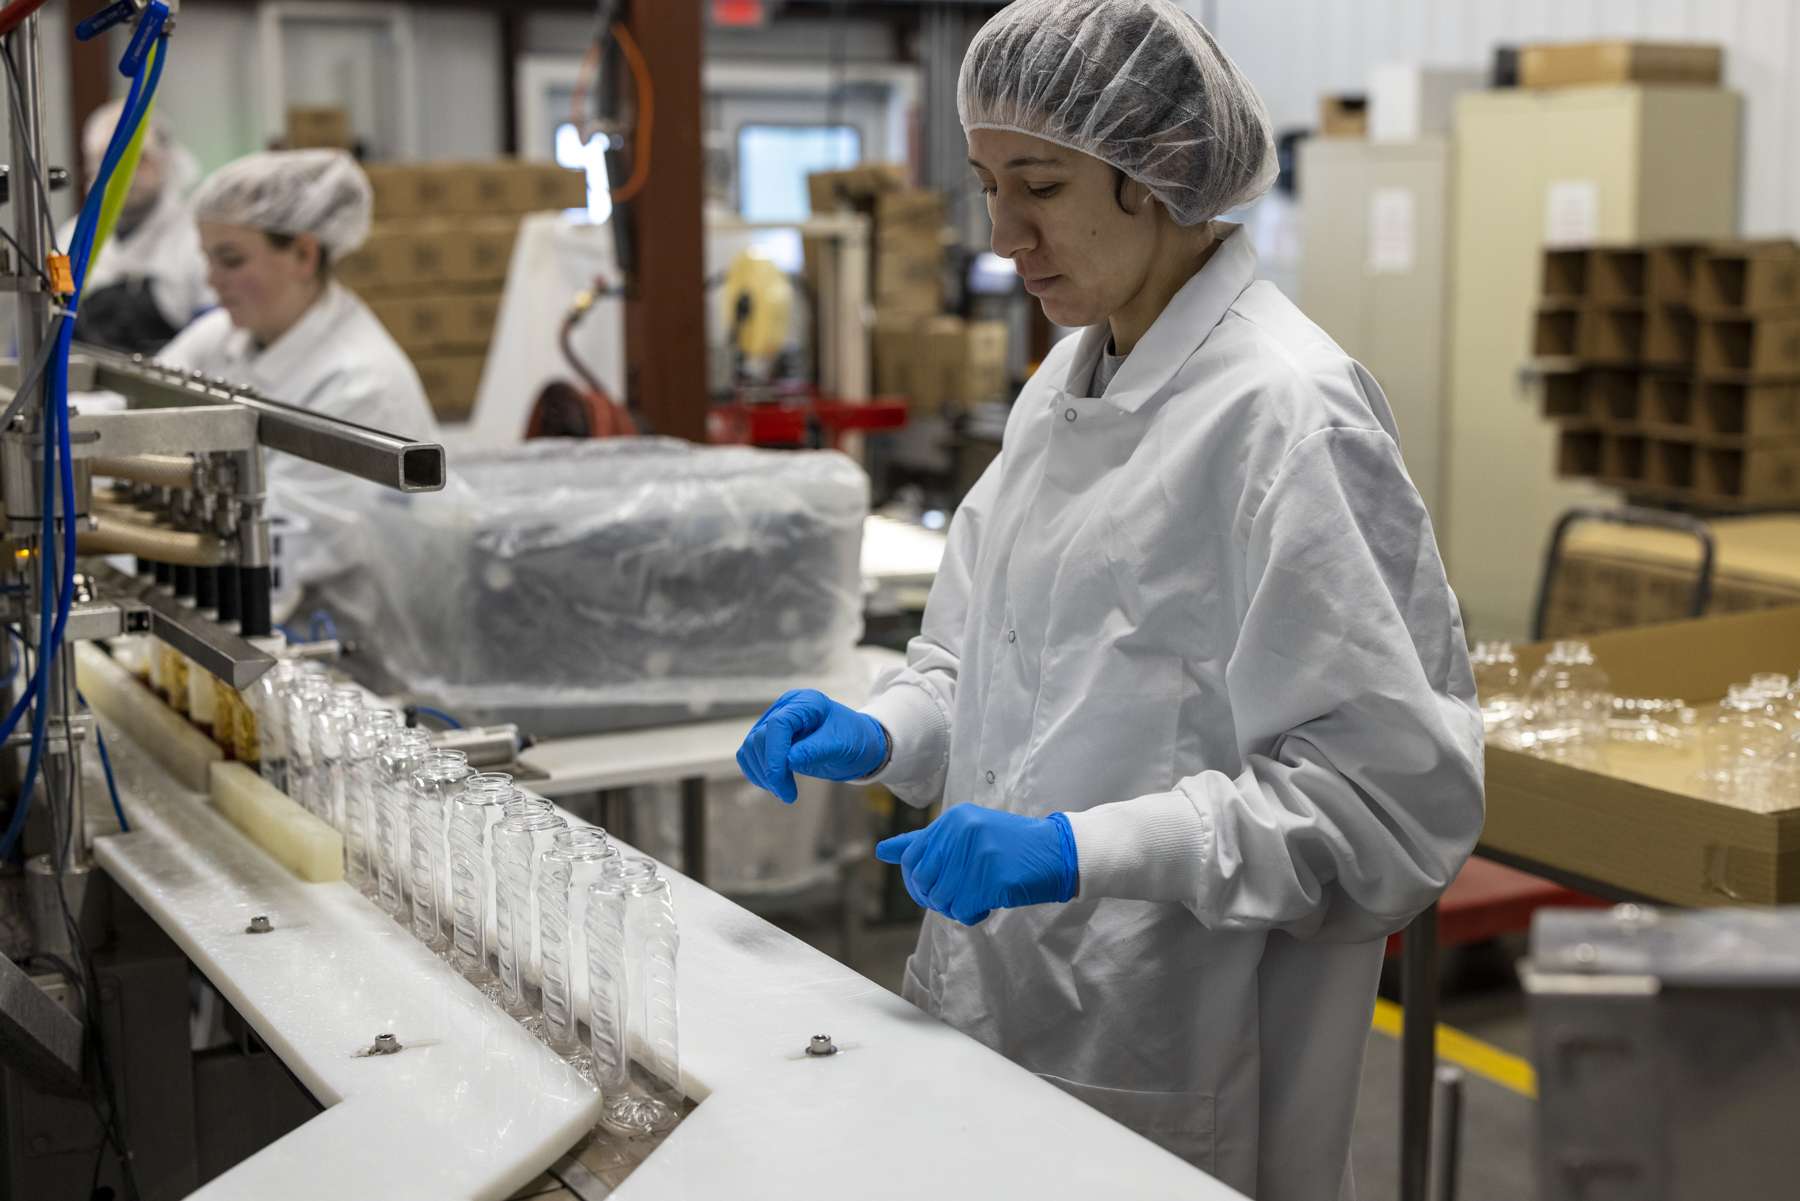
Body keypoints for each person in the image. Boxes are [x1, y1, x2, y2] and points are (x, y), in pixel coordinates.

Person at [735, 2, 1484, 1198]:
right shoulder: (1065, 386)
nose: (1003, 234)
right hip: (998, 1013)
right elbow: (980, 662)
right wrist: (889, 725)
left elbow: (1384, 805)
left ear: (1159, 175)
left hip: (1181, 1052)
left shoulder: (1287, 416)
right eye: (987, 184)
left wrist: (1078, 848)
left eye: (1037, 183)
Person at [157, 149, 438, 594]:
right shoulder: (222, 335)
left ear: (304, 255)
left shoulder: (361, 384)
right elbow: (130, 408)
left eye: (230, 260)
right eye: (207, 258)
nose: (210, 280)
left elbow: (281, 553)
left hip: (341, 639)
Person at [57, 99, 213, 354]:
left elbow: (215, 336)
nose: (122, 172)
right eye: (107, 159)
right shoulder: (70, 238)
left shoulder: (197, 238)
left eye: (138, 159)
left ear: (166, 161)